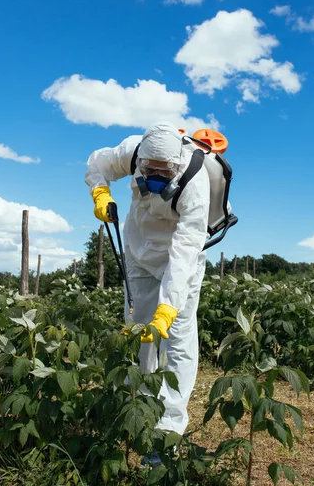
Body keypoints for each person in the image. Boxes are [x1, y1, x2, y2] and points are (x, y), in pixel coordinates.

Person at [85, 122, 210, 439]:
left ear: (176, 165)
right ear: (139, 159)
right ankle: (136, 407)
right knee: (139, 328)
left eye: (162, 173)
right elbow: (97, 163)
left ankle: (168, 429)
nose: (154, 178)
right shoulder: (131, 149)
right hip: (138, 250)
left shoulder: (196, 184)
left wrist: (168, 308)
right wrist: (100, 192)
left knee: (177, 339)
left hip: (179, 258)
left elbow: (184, 253)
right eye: (147, 170)